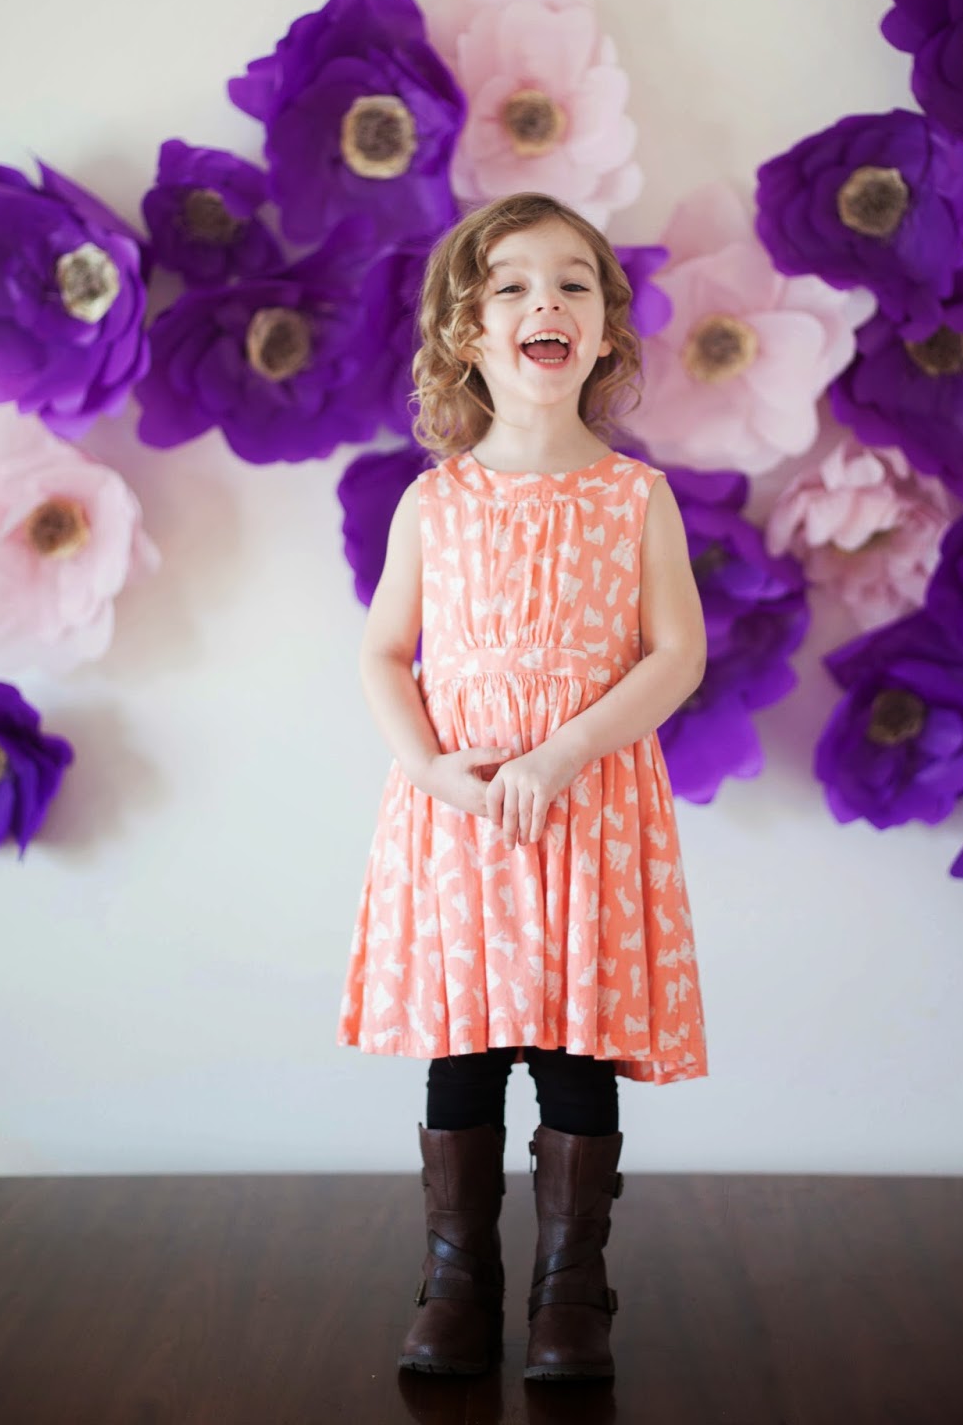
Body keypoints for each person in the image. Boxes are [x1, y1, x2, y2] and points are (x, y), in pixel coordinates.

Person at [338, 191, 708, 1382]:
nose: (545, 301)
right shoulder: (433, 501)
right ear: (467, 331)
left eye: (572, 283)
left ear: (603, 330)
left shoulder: (635, 497)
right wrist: (429, 769)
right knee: (465, 1043)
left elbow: (676, 655)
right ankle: (457, 1280)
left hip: (587, 809)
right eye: (511, 285)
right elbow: (383, 653)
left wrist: (560, 753)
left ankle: (570, 1291)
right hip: (462, 819)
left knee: (572, 1046)